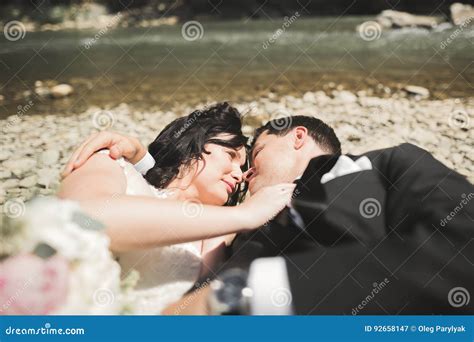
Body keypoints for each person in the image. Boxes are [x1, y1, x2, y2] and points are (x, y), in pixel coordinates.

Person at [64, 115, 474, 315]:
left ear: (297, 137)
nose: (243, 172)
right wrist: (146, 162)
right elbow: (160, 212)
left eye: (253, 154)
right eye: (234, 158)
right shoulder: (239, 223)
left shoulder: (388, 166)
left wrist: (252, 294)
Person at [58, 102, 295, 314]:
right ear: (192, 146)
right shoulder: (114, 163)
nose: (239, 175)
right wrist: (243, 214)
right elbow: (84, 220)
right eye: (231, 155)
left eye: (242, 167)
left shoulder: (217, 235)